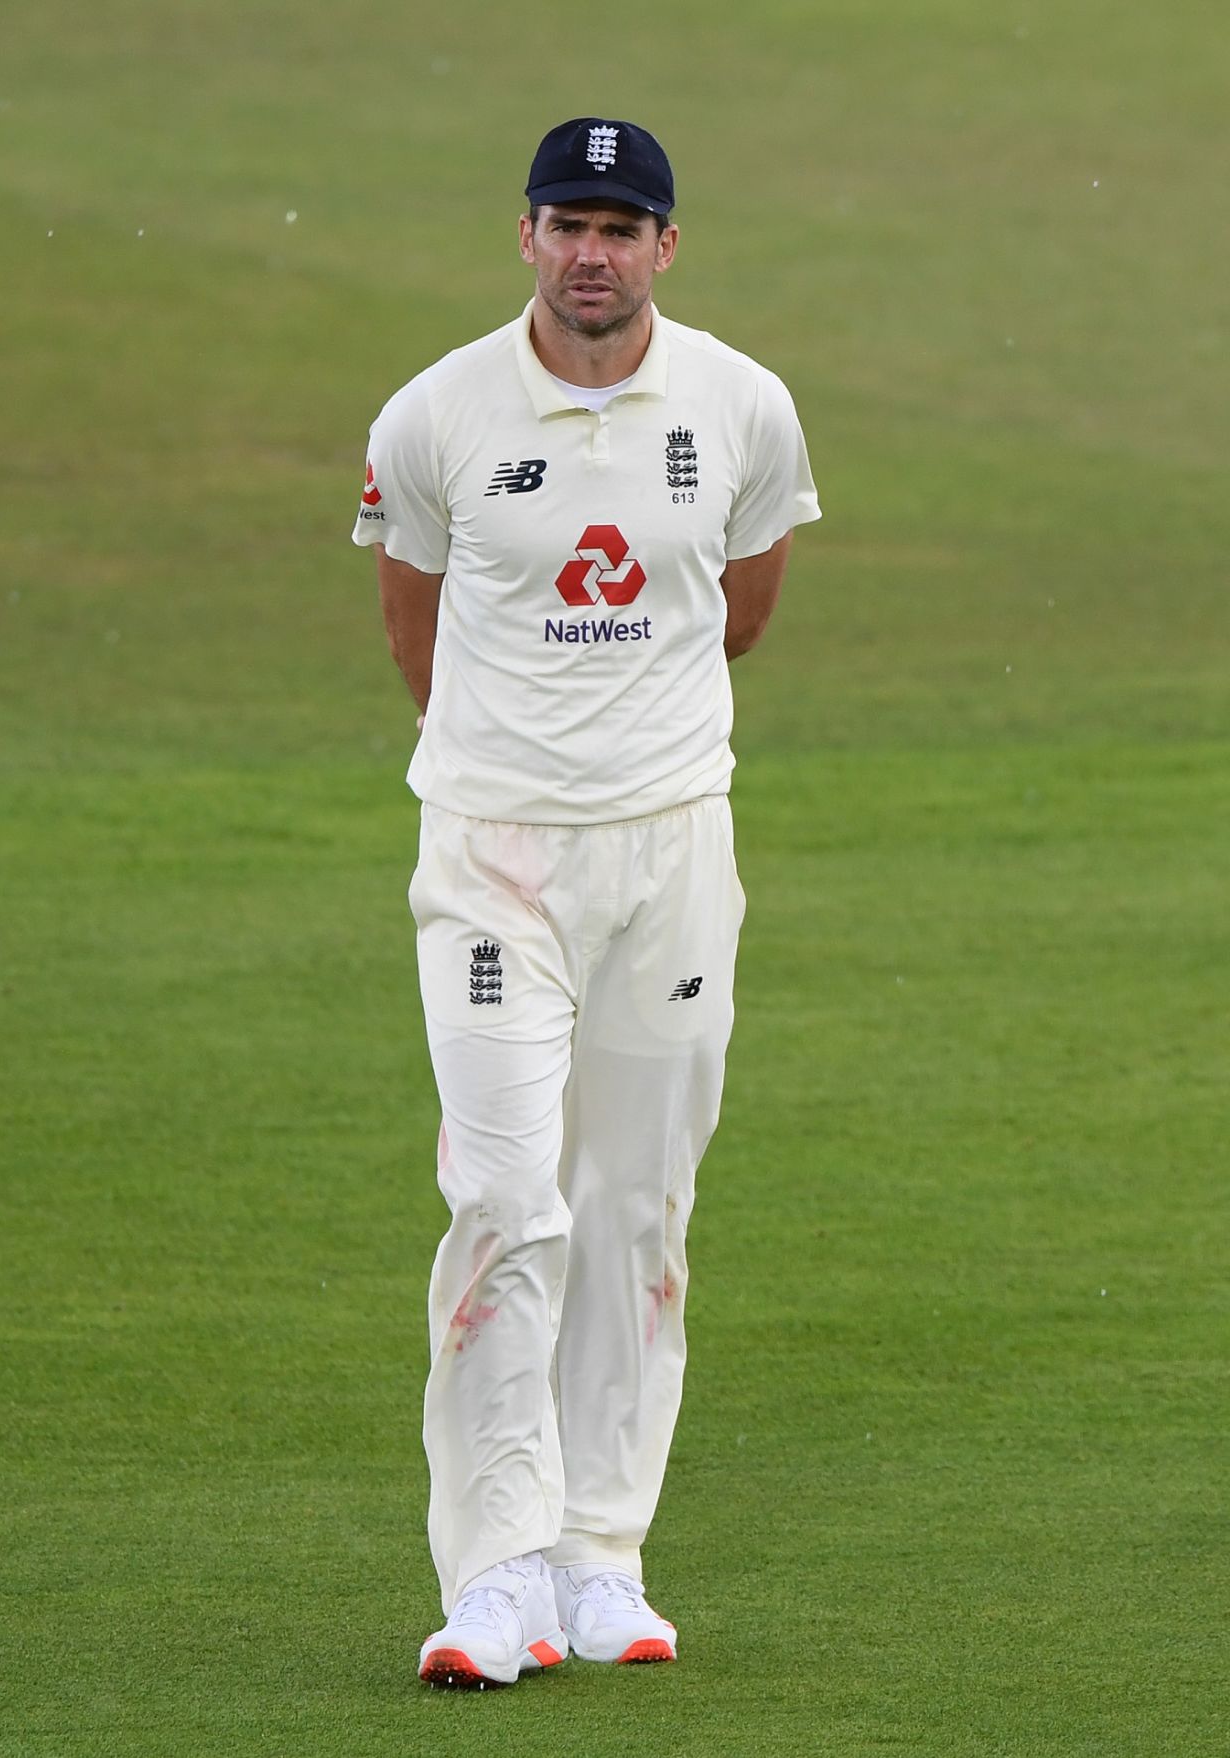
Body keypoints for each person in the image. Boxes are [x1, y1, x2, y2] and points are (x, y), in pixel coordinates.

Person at [352, 116, 821, 1689]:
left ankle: (600, 1552)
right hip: (493, 863)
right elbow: (413, 622)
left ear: (667, 246)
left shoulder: (744, 406)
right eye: (568, 220)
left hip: (673, 859)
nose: (594, 249)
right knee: (506, 1196)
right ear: (529, 235)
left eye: (623, 224)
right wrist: (515, 763)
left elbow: (738, 615)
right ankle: (493, 1574)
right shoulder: (437, 414)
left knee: (637, 1203)